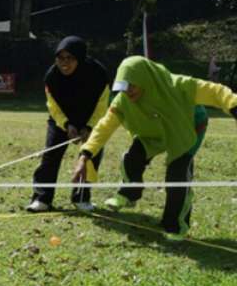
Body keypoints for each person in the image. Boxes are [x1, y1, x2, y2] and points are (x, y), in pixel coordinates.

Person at [72, 56, 237, 241]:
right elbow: (104, 127)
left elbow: (215, 91)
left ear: (144, 79)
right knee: (132, 157)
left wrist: (233, 105)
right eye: (123, 87)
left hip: (186, 127)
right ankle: (129, 193)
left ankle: (175, 225)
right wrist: (85, 154)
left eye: (131, 86)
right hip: (152, 132)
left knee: (178, 175)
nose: (127, 92)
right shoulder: (122, 101)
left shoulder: (178, 85)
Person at [26, 36, 110, 213]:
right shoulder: (52, 76)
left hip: (92, 119)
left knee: (90, 158)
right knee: (50, 156)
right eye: (60, 58)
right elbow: (53, 106)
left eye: (69, 58)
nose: (64, 63)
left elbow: (103, 103)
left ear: (79, 58)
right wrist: (66, 125)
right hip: (62, 119)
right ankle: (42, 198)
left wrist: (89, 127)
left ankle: (81, 198)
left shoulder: (98, 73)